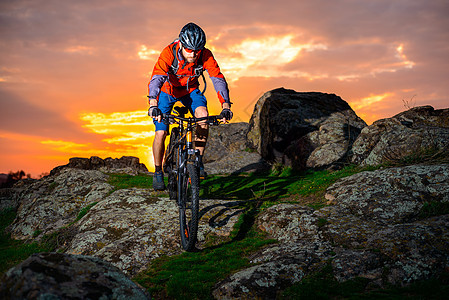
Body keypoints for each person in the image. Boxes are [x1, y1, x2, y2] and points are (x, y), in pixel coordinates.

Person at [147, 22, 233, 191]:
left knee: (203, 117)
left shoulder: (205, 54)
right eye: (189, 50)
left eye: (197, 50)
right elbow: (157, 77)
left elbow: (217, 78)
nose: (193, 54)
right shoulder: (168, 52)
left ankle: (198, 161)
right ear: (181, 45)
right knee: (161, 131)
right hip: (167, 91)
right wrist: (153, 104)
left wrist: (226, 106)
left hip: (190, 90)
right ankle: (158, 171)